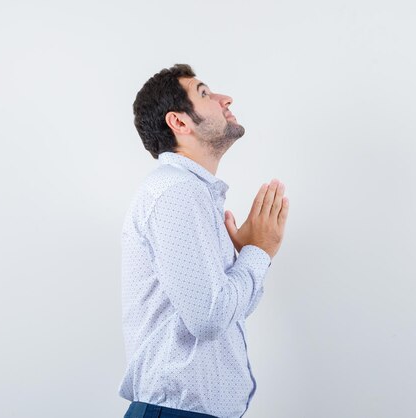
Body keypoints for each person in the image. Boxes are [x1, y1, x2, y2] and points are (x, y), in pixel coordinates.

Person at [118, 64, 289, 418]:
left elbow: (225, 312)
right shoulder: (178, 191)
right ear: (179, 122)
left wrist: (245, 260)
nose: (225, 99)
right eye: (205, 93)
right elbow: (210, 318)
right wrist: (259, 251)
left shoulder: (189, 193)